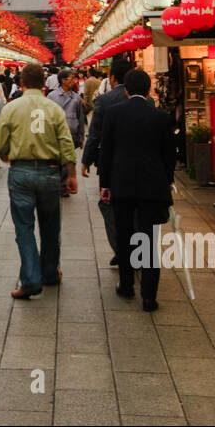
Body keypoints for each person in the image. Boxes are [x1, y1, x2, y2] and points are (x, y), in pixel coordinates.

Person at [0, 64, 77, 300]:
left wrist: (6, 154)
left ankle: (30, 279)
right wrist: (71, 173)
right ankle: (50, 272)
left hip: (21, 172)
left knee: (24, 227)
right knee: (51, 226)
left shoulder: (11, 108)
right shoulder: (54, 108)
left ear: (21, 82)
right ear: (44, 83)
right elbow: (66, 142)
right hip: (50, 172)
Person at [97, 69, 177, 312]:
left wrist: (105, 184)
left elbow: (106, 151)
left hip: (121, 184)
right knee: (149, 238)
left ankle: (127, 284)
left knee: (124, 235)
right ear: (149, 89)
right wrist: (166, 180)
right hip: (152, 186)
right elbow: (169, 156)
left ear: (127, 90)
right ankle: (149, 296)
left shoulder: (113, 114)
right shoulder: (161, 117)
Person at [82, 57, 132, 265]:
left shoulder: (104, 100)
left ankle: (121, 249)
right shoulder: (146, 101)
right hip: (140, 166)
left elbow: (95, 134)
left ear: (112, 78)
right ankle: (136, 250)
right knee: (135, 209)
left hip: (111, 164)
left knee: (109, 205)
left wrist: (86, 160)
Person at [47, 68, 86, 196]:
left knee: (66, 160)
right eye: (71, 78)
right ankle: (59, 184)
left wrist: (81, 137)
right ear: (63, 80)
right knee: (57, 160)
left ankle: (63, 186)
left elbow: (80, 117)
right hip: (55, 133)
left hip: (71, 133)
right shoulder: (52, 96)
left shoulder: (76, 98)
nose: (74, 81)